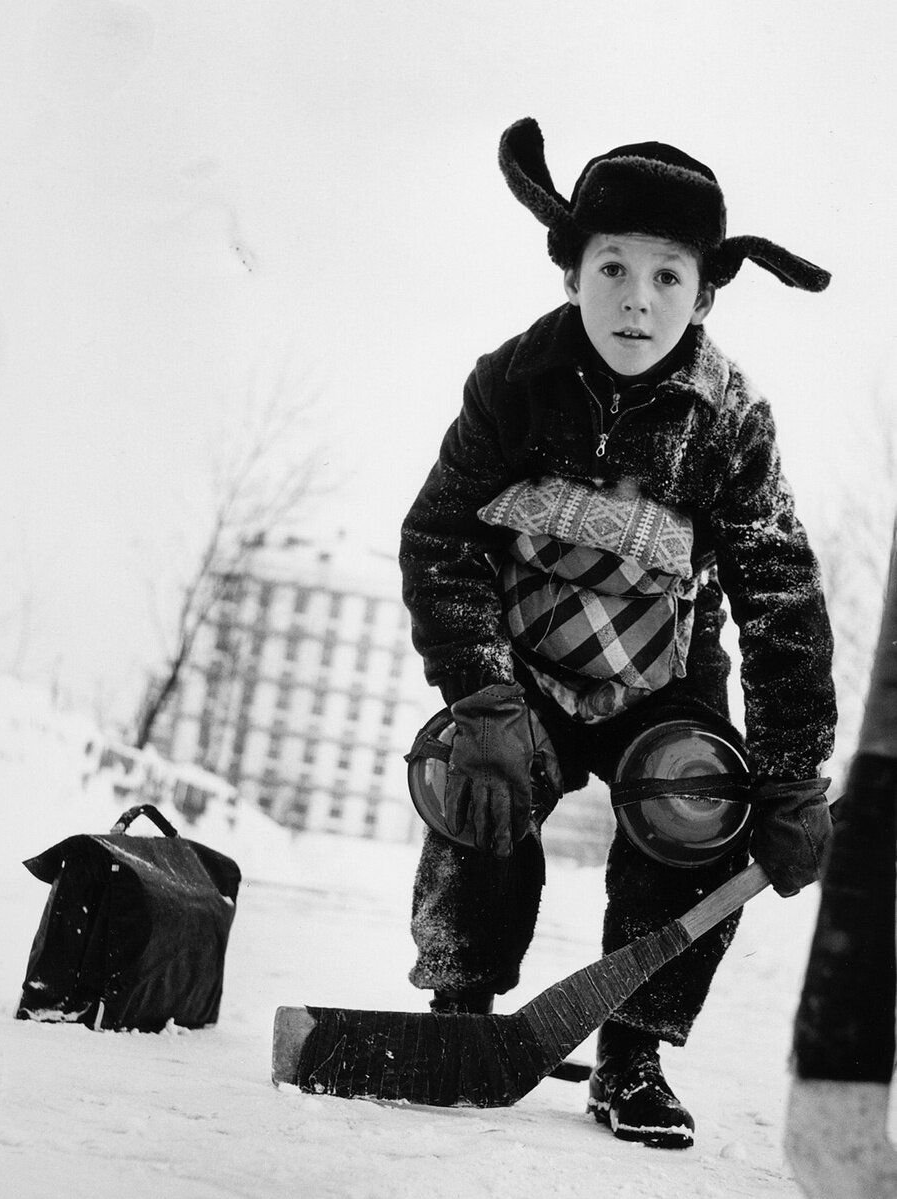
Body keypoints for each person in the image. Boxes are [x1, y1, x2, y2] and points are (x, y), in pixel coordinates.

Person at [398, 117, 836, 1149]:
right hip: (530, 668)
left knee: (700, 808)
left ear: (705, 292)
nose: (638, 298)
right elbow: (439, 536)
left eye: (668, 277)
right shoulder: (510, 384)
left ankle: (632, 1046)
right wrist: (484, 694)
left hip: (662, 676)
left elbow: (780, 592)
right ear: (570, 274)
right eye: (612, 267)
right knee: (478, 781)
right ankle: (462, 1005)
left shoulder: (729, 418)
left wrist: (790, 774)